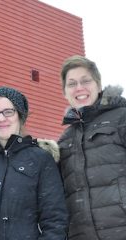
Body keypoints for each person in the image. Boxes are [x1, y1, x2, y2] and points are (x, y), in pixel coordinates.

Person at [0, 86, 68, 239]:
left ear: (20, 116)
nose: (1, 119)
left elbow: (55, 220)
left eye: (8, 112)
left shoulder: (41, 160)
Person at [58, 55, 126, 240]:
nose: (79, 88)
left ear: (98, 84)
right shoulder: (64, 140)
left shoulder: (121, 118)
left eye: (85, 81)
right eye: (72, 84)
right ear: (65, 92)